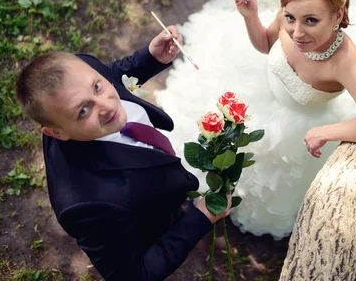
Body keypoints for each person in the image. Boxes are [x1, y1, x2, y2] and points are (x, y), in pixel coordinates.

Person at [155, 0, 356, 239]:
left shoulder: (345, 62)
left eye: (311, 21)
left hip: (297, 128)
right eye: (291, 17)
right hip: (258, 91)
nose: (297, 33)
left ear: (337, 16)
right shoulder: (289, 18)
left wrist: (327, 132)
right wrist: (250, 16)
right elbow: (267, 44)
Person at [16, 27, 232, 281]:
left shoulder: (79, 71)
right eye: (83, 111)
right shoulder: (89, 206)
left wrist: (150, 59)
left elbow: (112, 74)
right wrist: (202, 217)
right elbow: (133, 275)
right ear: (57, 132)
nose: (109, 106)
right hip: (152, 218)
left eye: (97, 87)